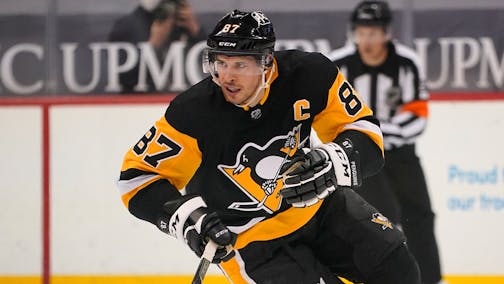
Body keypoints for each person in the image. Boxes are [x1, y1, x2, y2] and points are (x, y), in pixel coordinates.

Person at [117, 9, 421, 284]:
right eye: (220, 63)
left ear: (266, 63)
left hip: (321, 208)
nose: (227, 77)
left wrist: (332, 162)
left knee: (399, 270)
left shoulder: (309, 76)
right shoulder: (194, 112)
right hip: (252, 241)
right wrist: (188, 219)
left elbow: (365, 132)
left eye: (239, 64)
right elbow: (136, 178)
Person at [328, 1, 443, 283]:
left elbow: (418, 115)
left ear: (387, 33)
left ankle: (430, 279)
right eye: (362, 32)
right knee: (374, 219)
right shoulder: (338, 64)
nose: (367, 40)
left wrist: (384, 132)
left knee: (420, 216)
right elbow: (329, 113)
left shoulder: (407, 62)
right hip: (359, 155)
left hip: (401, 154)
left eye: (373, 32)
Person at [108, 0, 206, 93]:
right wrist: (154, 43)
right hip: (145, 101)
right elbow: (123, 80)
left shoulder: (186, 25)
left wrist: (195, 30)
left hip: (184, 97)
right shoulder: (125, 26)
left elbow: (214, 66)